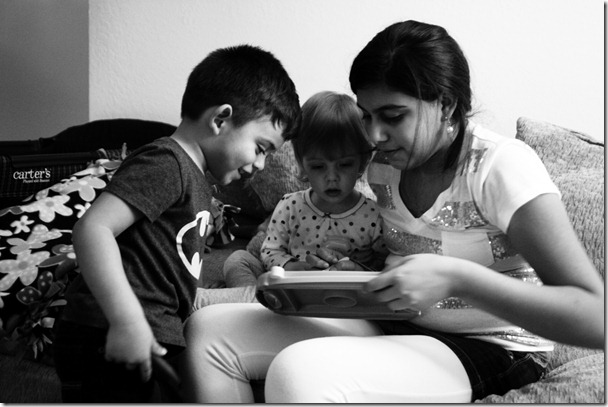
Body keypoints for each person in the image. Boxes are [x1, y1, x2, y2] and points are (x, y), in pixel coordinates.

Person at [179, 21, 604, 403]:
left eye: (393, 116)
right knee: (208, 331)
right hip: (396, 324)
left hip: (491, 346)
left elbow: (594, 317)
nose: (374, 135)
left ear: (447, 105)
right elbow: (390, 259)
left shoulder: (498, 166)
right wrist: (336, 277)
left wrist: (458, 278)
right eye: (366, 116)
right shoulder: (384, 168)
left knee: (299, 374)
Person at [51, 44, 300, 403]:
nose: (261, 165)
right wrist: (127, 321)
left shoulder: (195, 177)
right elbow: (93, 229)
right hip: (108, 332)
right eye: (261, 148)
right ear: (221, 119)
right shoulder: (168, 163)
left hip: (149, 334)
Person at [194, 91, 387, 308]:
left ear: (362, 163)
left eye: (344, 165)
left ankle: (225, 302)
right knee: (238, 259)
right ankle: (252, 301)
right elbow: (270, 250)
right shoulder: (291, 205)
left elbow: (383, 267)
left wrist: (357, 269)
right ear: (302, 165)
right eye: (318, 166)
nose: (332, 177)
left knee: (255, 296)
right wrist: (293, 267)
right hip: (287, 290)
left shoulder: (373, 215)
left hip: (337, 300)